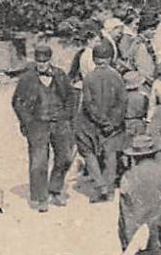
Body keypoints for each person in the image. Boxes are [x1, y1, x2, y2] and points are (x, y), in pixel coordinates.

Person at [12, 44, 76, 212]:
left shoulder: (60, 75)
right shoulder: (27, 78)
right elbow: (17, 102)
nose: (42, 64)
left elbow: (71, 97)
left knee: (65, 157)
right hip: (38, 124)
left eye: (45, 61)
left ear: (50, 60)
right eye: (39, 61)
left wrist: (67, 115)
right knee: (38, 162)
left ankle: (55, 189)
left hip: (60, 123)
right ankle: (39, 197)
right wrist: (27, 121)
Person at [77, 41, 129, 202]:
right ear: (110, 58)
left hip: (91, 123)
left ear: (94, 59)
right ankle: (111, 189)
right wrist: (112, 123)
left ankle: (101, 186)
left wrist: (100, 120)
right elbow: (122, 102)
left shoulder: (89, 78)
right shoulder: (117, 77)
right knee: (110, 154)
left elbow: (88, 103)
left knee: (88, 152)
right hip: (113, 125)